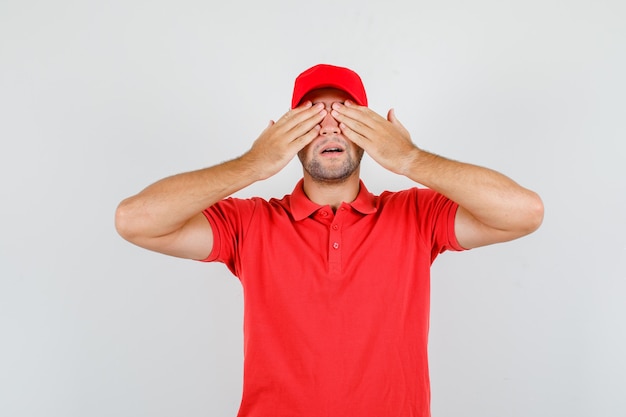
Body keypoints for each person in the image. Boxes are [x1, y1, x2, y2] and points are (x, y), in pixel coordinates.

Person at [115, 64, 544, 417]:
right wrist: (251, 165)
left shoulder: (416, 215)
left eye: (345, 115)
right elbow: (135, 220)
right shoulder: (251, 223)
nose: (328, 128)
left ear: (370, 129)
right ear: (286, 134)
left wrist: (410, 158)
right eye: (311, 116)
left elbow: (524, 212)